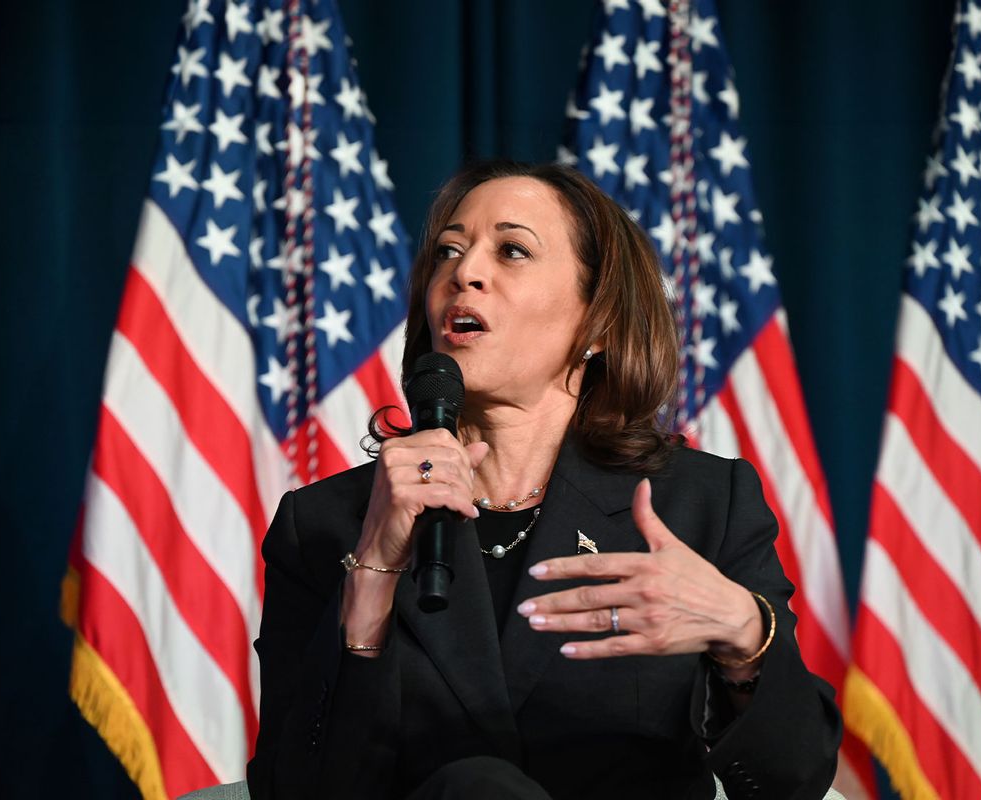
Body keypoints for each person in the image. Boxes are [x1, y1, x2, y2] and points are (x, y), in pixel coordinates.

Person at [248, 160, 841, 799]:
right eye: (449, 250)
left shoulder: (699, 504)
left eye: (512, 251)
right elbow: (290, 788)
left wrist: (741, 631)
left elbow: (793, 778)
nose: (464, 273)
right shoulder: (328, 523)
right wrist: (371, 576)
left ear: (599, 325)